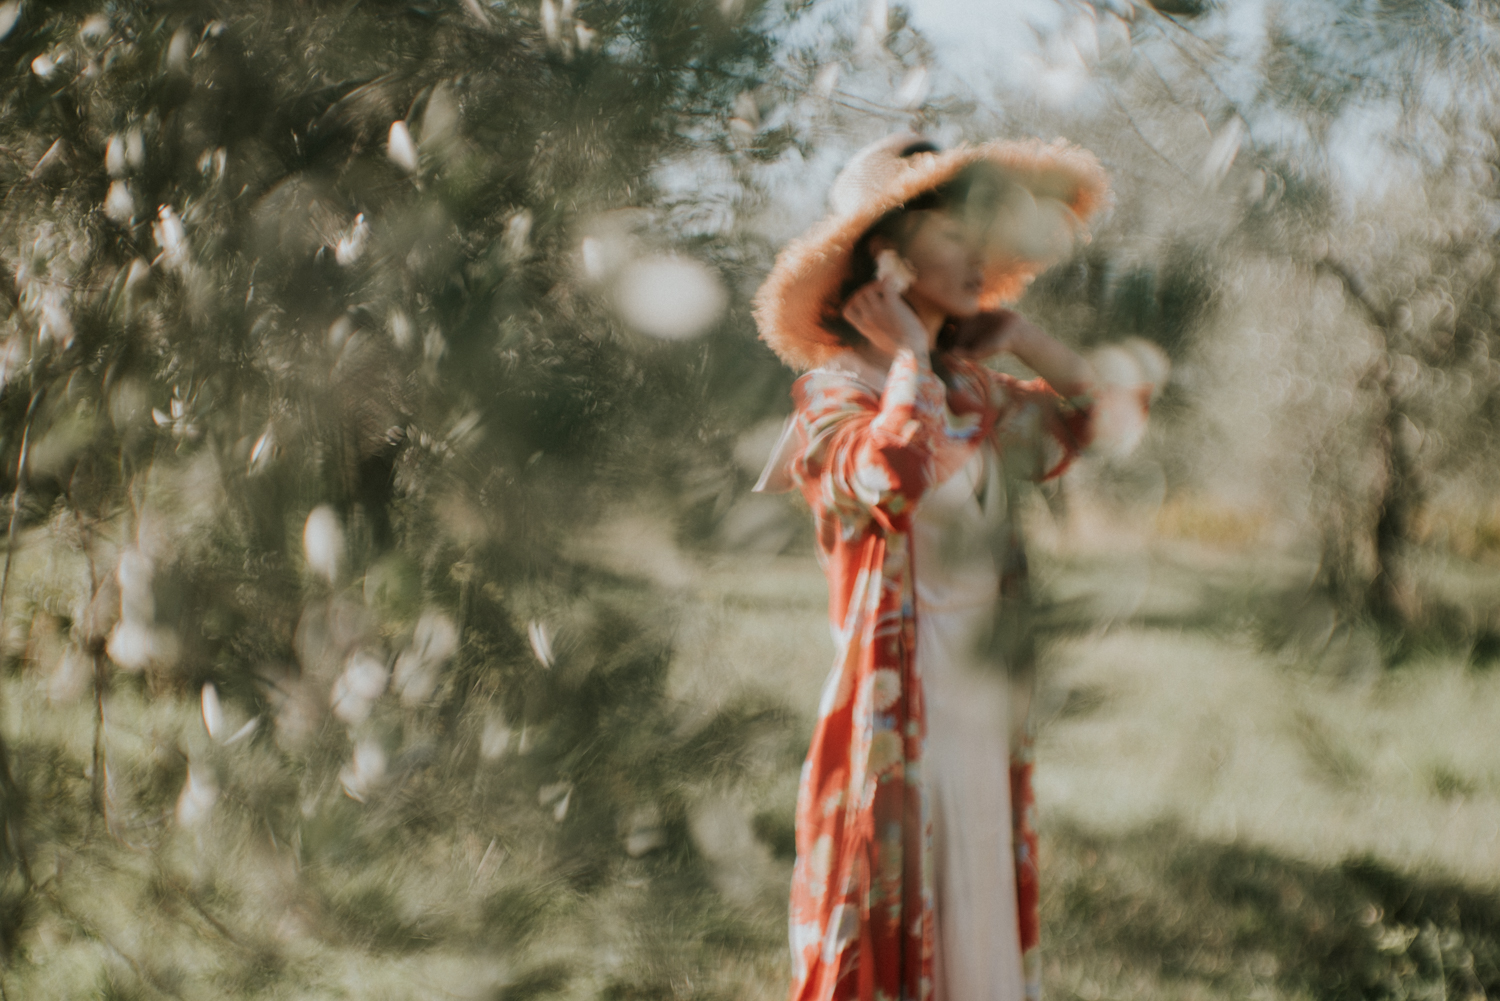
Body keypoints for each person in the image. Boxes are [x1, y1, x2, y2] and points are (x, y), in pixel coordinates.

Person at [751, 132, 1150, 1001]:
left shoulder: (971, 388)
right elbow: (889, 475)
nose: (978, 253)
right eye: (952, 232)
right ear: (888, 258)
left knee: (977, 931)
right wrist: (902, 359)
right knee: (898, 925)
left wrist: (1026, 338)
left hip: (981, 704)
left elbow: (1111, 414)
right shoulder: (834, 396)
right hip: (896, 715)